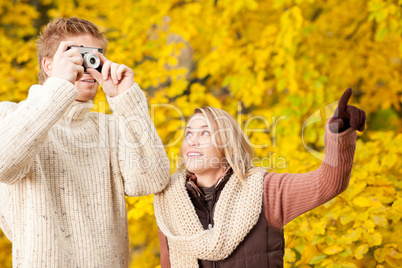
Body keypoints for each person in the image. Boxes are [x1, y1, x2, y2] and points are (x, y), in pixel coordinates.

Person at [0, 17, 170, 267]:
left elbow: (150, 180)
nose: (87, 66)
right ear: (49, 65)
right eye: (77, 56)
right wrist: (59, 86)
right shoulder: (10, 115)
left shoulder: (110, 127)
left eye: (95, 57)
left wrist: (127, 101)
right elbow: (5, 163)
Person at [154, 89, 366, 267]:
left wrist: (340, 135)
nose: (192, 141)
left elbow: (328, 183)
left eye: (205, 133)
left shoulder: (265, 189)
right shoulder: (169, 202)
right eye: (188, 134)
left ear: (228, 145)